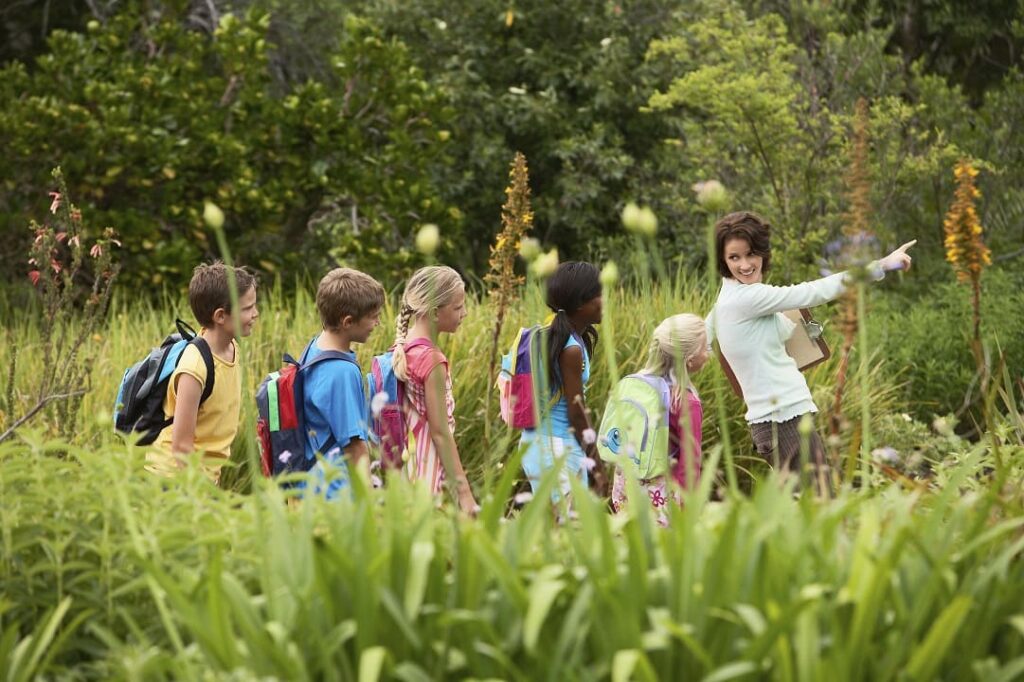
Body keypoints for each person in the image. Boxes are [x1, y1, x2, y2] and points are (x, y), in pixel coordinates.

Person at [708, 211, 914, 486]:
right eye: (734, 257)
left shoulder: (729, 296)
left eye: (750, 254)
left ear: (762, 252)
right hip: (782, 420)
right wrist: (882, 265)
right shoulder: (746, 298)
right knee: (820, 506)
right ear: (723, 260)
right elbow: (814, 291)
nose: (744, 264)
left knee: (810, 512)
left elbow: (702, 334)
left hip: (780, 420)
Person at [147, 262, 259, 483]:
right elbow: (181, 447)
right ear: (220, 316)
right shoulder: (194, 368)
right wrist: (201, 495)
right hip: (174, 478)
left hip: (204, 475)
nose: (255, 314)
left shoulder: (231, 347)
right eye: (247, 308)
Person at [392, 266, 478, 513]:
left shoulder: (402, 350)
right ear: (434, 313)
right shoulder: (432, 361)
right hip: (426, 470)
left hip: (404, 465)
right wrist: (465, 495)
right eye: (458, 307)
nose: (465, 313)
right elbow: (440, 433)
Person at [520, 261, 608, 504]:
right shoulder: (570, 348)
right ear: (580, 304)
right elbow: (576, 413)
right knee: (569, 532)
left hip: (535, 443)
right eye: (600, 294)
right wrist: (597, 465)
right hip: (556, 448)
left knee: (555, 531)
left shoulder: (549, 335)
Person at [609, 314, 708, 524]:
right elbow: (689, 465)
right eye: (704, 347)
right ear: (689, 360)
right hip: (662, 498)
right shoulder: (687, 402)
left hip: (625, 487)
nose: (708, 353)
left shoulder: (636, 386)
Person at [299, 267, 385, 499]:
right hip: (335, 493)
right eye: (373, 317)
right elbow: (355, 447)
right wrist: (369, 507)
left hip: (310, 484)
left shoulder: (315, 347)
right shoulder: (341, 371)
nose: (377, 323)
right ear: (348, 322)